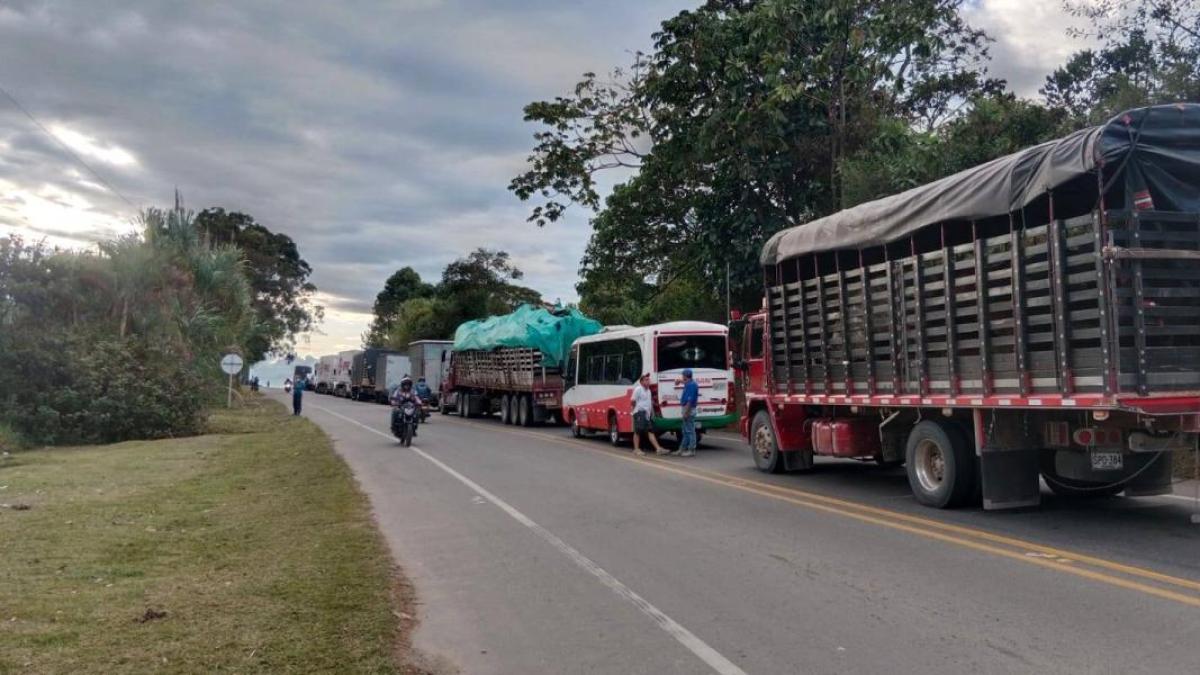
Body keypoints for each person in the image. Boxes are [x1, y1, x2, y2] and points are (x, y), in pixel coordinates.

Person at [630, 373, 667, 457]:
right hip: (639, 413)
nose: (648, 381)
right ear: (641, 382)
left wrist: (652, 412)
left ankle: (658, 449)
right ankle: (636, 449)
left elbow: (649, 403)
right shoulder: (638, 389)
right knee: (638, 431)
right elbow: (632, 401)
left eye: (648, 380)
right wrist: (634, 411)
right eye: (646, 380)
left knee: (650, 431)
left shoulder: (649, 391)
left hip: (646, 414)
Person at [676, 368, 699, 457]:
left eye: (683, 376)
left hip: (688, 409)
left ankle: (691, 449)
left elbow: (690, 401)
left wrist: (686, 412)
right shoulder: (689, 383)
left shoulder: (691, 385)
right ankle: (682, 449)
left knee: (690, 431)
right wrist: (679, 381)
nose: (682, 377)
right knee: (685, 431)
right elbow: (685, 382)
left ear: (685, 376)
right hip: (686, 409)